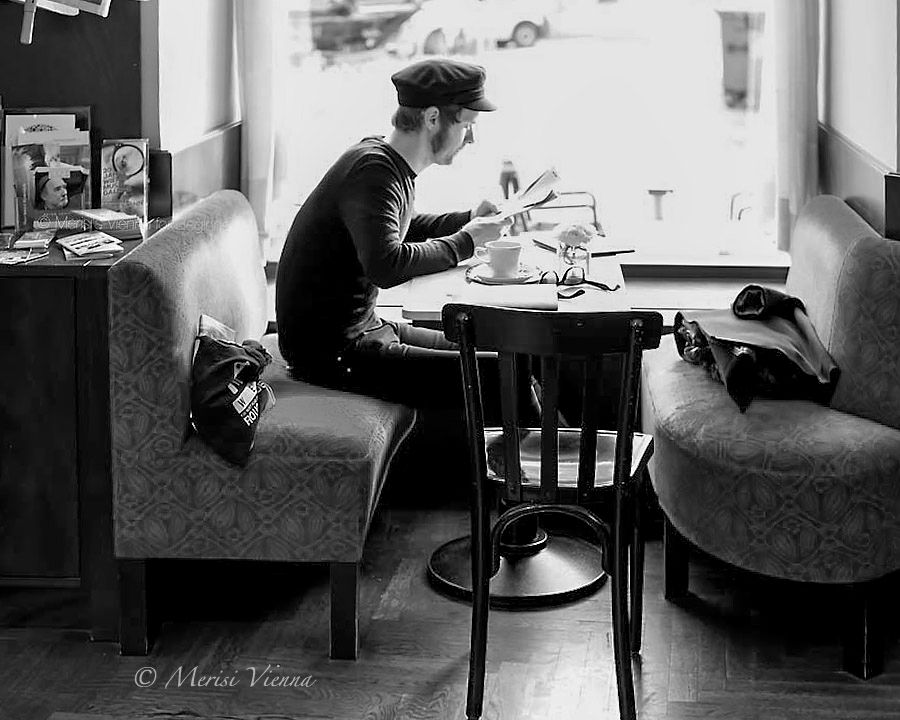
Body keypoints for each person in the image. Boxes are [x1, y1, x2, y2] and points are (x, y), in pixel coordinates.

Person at [276, 58, 516, 420]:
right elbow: (387, 265)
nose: (471, 138)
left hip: (363, 331)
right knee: (506, 376)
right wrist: (466, 241)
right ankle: (541, 475)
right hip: (334, 353)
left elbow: (402, 226)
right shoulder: (374, 171)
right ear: (432, 118)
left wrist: (467, 220)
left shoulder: (381, 160)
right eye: (467, 124)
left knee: (507, 355)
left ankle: (538, 472)